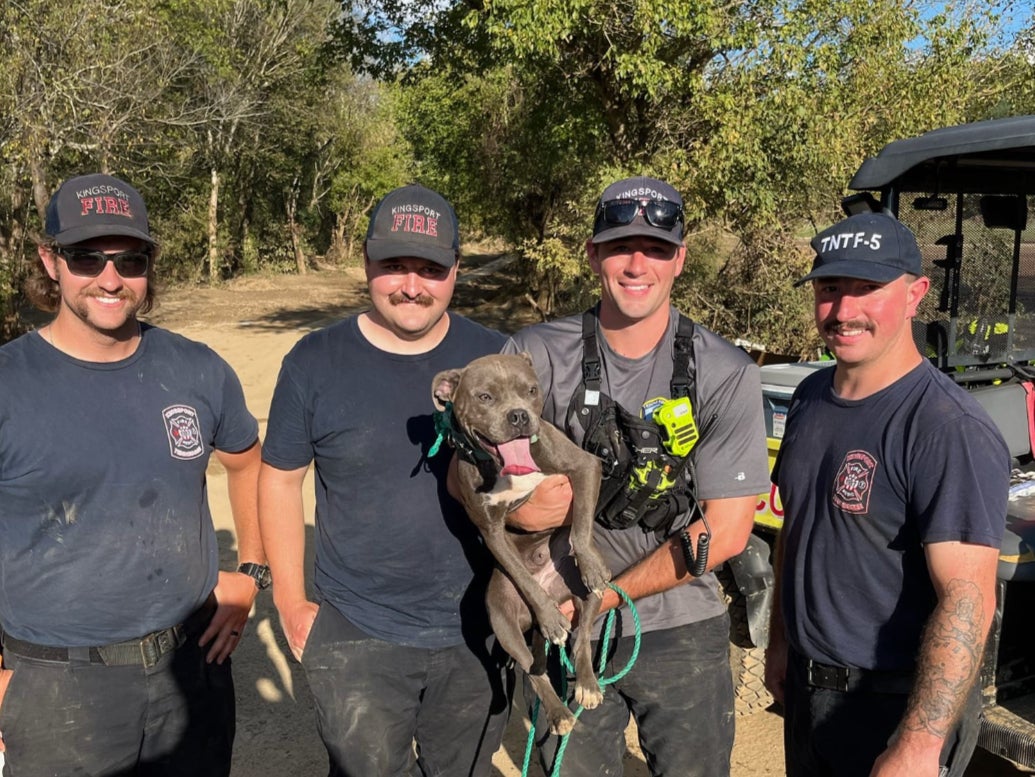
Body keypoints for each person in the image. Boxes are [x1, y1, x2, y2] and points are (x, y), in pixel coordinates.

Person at [502, 176, 771, 776]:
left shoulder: (724, 372)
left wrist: (605, 599)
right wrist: (525, 510)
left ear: (679, 259)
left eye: (655, 248)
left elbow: (726, 533)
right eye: (620, 246)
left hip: (681, 627)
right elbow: (484, 487)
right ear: (594, 253)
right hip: (560, 622)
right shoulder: (535, 356)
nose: (636, 264)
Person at [0, 173, 265, 776]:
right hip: (55, 684)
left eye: (129, 259)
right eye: (86, 257)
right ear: (50, 260)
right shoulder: (9, 384)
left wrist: (251, 570)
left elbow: (246, 460)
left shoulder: (198, 369)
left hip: (190, 671)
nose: (110, 278)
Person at [258, 184, 510, 776]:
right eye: (394, 266)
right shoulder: (314, 361)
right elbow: (278, 480)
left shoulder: (494, 357)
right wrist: (291, 602)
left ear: (456, 270)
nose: (412, 286)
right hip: (357, 630)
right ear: (366, 264)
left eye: (430, 269)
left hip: (479, 624)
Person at [764, 211, 1009, 777]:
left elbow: (968, 599)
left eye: (868, 289)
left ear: (915, 294)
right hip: (808, 689)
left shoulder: (946, 428)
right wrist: (782, 642)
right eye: (830, 288)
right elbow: (797, 533)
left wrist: (918, 744)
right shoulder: (808, 397)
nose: (844, 311)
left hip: (893, 703)